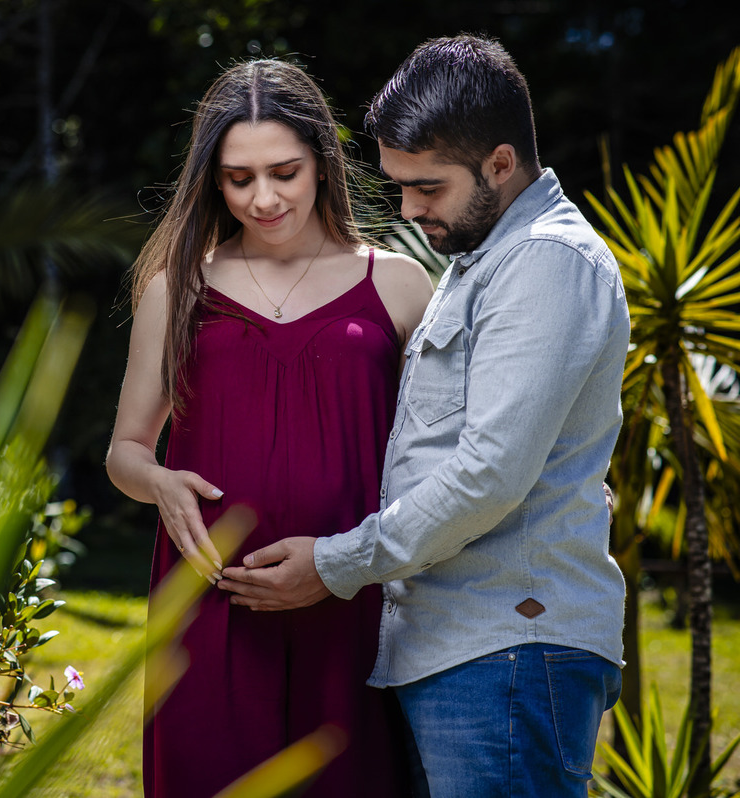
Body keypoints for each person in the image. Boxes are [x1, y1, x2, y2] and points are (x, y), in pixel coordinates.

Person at [218, 35, 629, 798]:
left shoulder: (546, 260)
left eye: (428, 188)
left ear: (501, 165)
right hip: (458, 650)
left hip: (506, 647)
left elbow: (491, 473)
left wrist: (334, 565)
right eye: (400, 185)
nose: (408, 209)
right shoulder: (485, 262)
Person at [104, 58, 434, 796]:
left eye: (283, 171)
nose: (263, 198)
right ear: (212, 181)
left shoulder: (403, 285)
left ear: (321, 160)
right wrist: (156, 481)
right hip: (209, 609)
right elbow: (124, 451)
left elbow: (446, 461)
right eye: (238, 178)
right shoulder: (177, 288)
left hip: (354, 606)